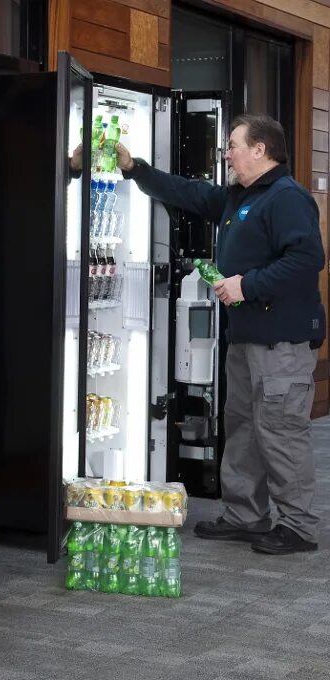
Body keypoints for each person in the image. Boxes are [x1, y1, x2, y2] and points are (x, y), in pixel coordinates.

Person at [115, 114, 325, 555]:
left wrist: (246, 284)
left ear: (260, 150)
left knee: (281, 431)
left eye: (232, 145)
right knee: (245, 428)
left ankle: (299, 527)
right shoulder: (240, 197)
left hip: (281, 343)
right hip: (247, 338)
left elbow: (307, 259)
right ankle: (246, 515)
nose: (225, 153)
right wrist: (135, 169)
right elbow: (190, 194)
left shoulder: (287, 198)